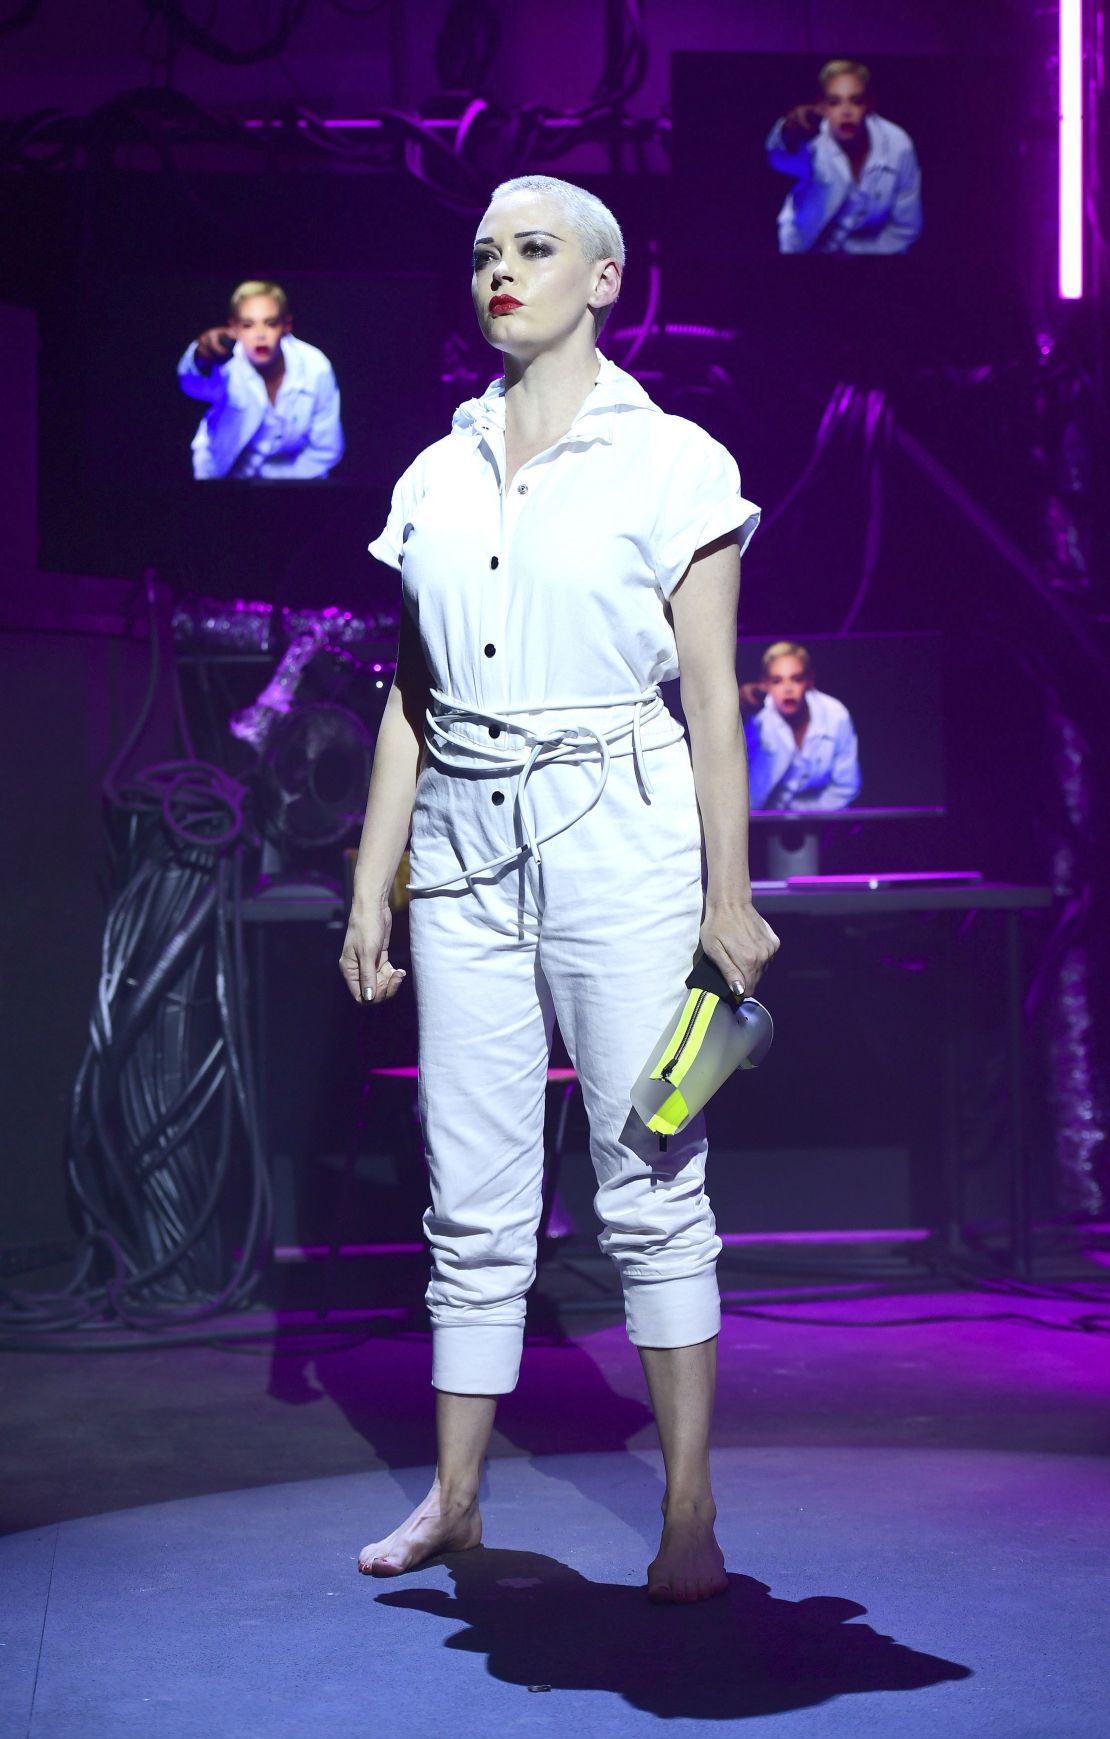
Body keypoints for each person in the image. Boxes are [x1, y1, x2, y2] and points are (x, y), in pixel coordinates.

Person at [339, 173, 778, 1604]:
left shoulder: (674, 462)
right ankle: (456, 1498)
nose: (499, 272)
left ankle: (690, 1515)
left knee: (649, 1174)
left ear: (604, 277)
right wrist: (370, 885)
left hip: (621, 830)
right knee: (469, 1191)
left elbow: (713, 701)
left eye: (533, 248)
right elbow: (410, 698)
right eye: (482, 253)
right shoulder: (434, 472)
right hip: (464, 839)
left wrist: (732, 893)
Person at [176, 280, 344, 480]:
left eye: (270, 323)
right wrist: (202, 356)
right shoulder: (225, 363)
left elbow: (326, 449)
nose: (260, 335)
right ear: (234, 327)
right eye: (248, 325)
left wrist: (269, 482)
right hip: (220, 481)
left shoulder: (315, 367)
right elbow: (192, 384)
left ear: (286, 326)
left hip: (295, 485)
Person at [765, 60, 922, 255]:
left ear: (870, 105)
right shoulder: (811, 137)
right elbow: (779, 160)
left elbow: (905, 228)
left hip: (876, 259)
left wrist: (853, 256)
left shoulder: (898, 146)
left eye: (856, 101)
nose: (846, 111)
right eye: (834, 102)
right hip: (804, 252)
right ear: (821, 106)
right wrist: (788, 131)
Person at [740, 641, 861, 811]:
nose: (788, 689)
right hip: (757, 822)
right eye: (777, 681)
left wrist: (799, 814)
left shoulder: (835, 715)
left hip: (823, 819)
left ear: (809, 680)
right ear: (765, 684)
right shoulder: (756, 717)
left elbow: (845, 787)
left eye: (796, 679)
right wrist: (740, 706)